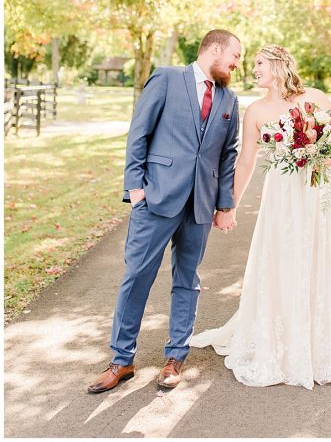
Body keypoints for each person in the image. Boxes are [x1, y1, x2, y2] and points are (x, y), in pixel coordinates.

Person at [190, 44, 331, 389]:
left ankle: (320, 347)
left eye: (260, 64)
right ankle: (281, 346)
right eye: (253, 65)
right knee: (282, 260)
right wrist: (228, 206)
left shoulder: (316, 96)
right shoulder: (255, 111)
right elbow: (246, 163)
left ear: (280, 65)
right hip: (283, 196)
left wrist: (321, 152)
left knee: (319, 258)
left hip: (319, 190)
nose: (254, 70)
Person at [88, 29, 242, 393]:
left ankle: (175, 358)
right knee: (137, 275)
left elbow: (228, 156)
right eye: (235, 55)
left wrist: (224, 204)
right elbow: (138, 133)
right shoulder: (167, 78)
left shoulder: (229, 99)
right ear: (215, 49)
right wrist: (136, 190)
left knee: (187, 280)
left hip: (200, 205)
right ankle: (122, 360)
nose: (238, 63)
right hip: (156, 198)